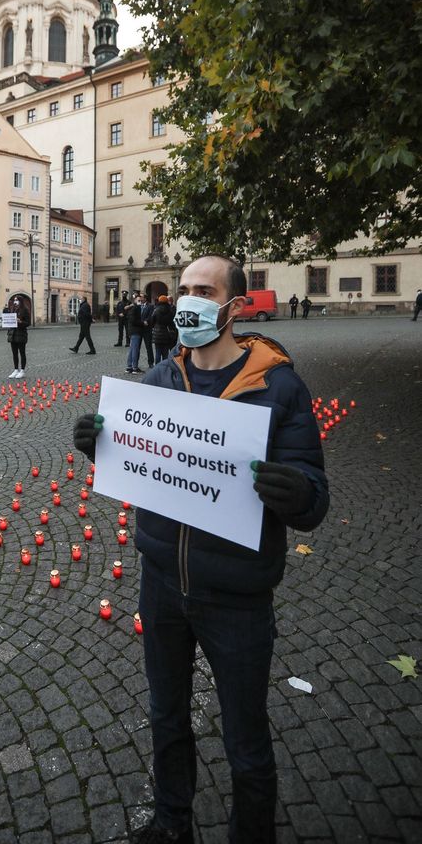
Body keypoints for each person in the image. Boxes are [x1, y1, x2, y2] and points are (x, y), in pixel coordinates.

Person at [74, 254, 329, 844]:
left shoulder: (279, 386)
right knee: (167, 717)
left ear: (234, 306)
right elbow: (145, 459)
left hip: (237, 594)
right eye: (183, 289)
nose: (185, 299)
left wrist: (297, 492)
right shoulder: (161, 378)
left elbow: (313, 499)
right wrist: (102, 448)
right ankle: (171, 825)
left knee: (245, 736)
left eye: (202, 290)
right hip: (161, 580)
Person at [8, 297, 30, 378]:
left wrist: (20, 322)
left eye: (17, 300)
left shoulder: (25, 310)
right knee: (14, 353)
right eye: (14, 300)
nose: (15, 301)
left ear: (20, 301)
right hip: (13, 334)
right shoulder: (12, 309)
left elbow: (28, 323)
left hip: (21, 334)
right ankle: (16, 369)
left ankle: (22, 370)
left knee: (22, 352)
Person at [150, 295, 176, 363]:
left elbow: (152, 321)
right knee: (165, 353)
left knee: (158, 352)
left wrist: (154, 326)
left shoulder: (156, 310)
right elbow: (171, 322)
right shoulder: (169, 311)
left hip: (157, 333)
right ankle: (165, 366)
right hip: (166, 333)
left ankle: (157, 367)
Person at [126, 293, 146, 374]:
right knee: (135, 349)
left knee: (132, 349)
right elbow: (133, 320)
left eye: (141, 300)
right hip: (135, 331)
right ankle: (134, 367)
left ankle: (129, 366)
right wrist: (142, 323)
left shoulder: (133, 308)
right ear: (135, 300)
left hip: (133, 331)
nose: (140, 302)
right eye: (138, 300)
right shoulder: (135, 308)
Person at [141, 294, 156, 368]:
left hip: (147, 329)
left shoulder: (150, 306)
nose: (140, 298)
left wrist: (146, 321)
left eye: (142, 297)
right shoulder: (137, 306)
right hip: (139, 329)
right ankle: (135, 364)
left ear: (145, 298)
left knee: (148, 347)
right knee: (136, 347)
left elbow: (151, 316)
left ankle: (150, 362)